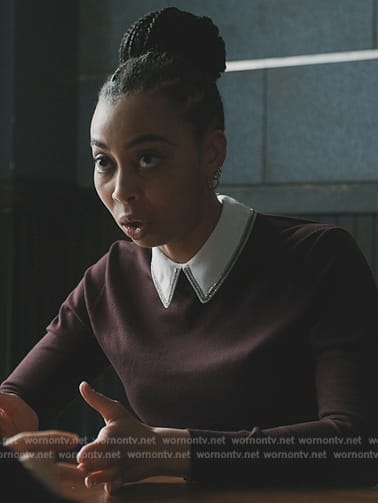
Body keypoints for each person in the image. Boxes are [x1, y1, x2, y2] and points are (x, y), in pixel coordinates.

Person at [0, 6, 378, 495]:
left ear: (212, 153)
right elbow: (18, 400)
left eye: (148, 158)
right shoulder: (111, 280)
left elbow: (356, 445)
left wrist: (165, 451)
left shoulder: (320, 259)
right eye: (103, 162)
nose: (122, 190)